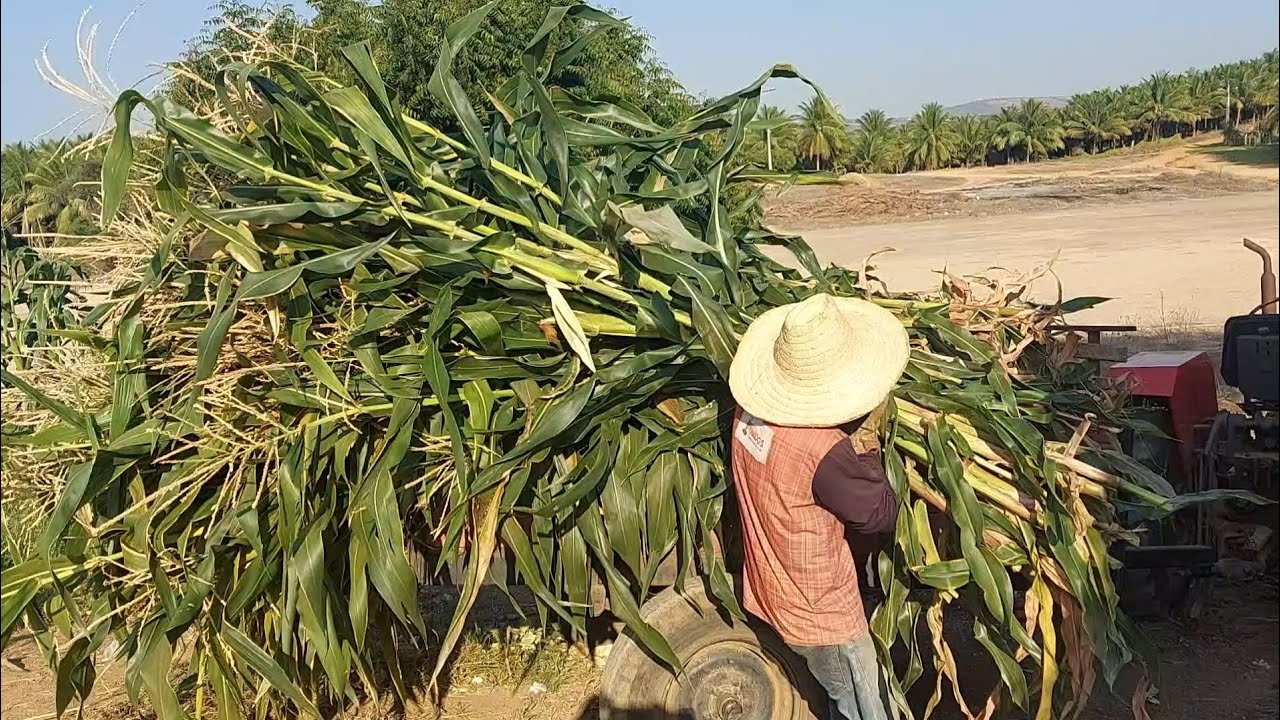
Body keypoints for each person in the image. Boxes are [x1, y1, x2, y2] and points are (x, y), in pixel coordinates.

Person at [727, 292, 910, 720]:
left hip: (774, 589)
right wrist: (866, 448)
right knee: (863, 706)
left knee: (834, 695)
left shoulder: (748, 413)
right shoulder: (823, 451)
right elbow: (880, 514)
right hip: (823, 614)